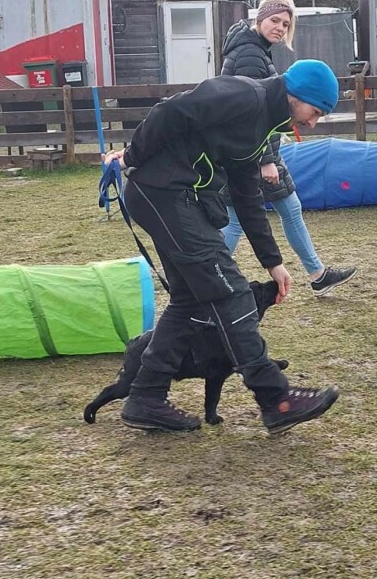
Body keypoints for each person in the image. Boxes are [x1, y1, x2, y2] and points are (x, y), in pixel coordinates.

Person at [100, 60, 342, 434]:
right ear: (298, 95)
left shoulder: (263, 126)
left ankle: (145, 396)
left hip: (175, 198)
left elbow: (246, 193)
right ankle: (276, 399)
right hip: (162, 192)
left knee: (189, 299)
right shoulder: (245, 96)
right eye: (317, 111)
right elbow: (170, 110)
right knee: (233, 294)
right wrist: (130, 157)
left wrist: (273, 261)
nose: (313, 123)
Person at [219, 0, 358, 297]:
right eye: (275, 20)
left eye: (285, 24)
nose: (280, 28)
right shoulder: (250, 56)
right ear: (260, 18)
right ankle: (203, 275)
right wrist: (265, 159)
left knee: (286, 209)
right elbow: (251, 113)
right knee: (235, 219)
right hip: (252, 152)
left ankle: (318, 274)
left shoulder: (255, 50)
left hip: (256, 149)